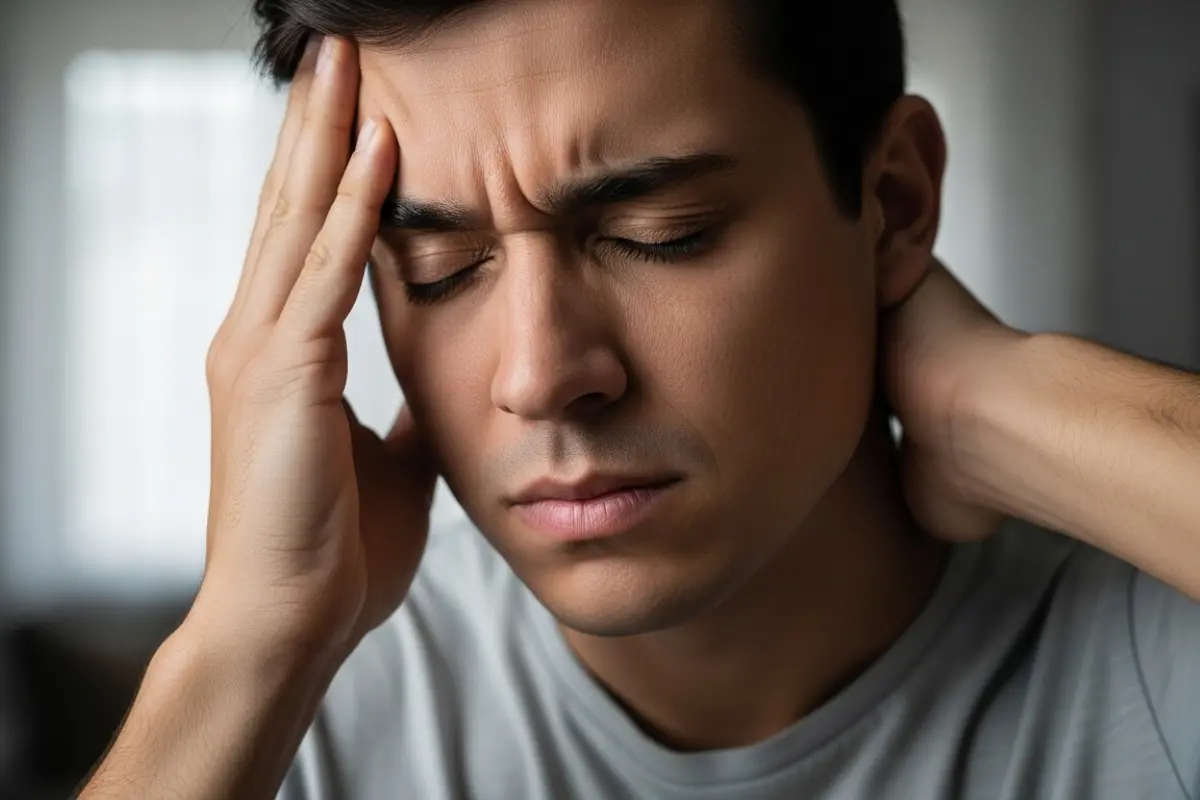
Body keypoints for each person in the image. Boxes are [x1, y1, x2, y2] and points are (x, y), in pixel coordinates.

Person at [79, 1, 1200, 797]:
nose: (539, 376)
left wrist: (1002, 402)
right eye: (439, 267)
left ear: (895, 203)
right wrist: (244, 649)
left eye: (659, 234)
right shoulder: (301, 720)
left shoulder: (1151, 663)